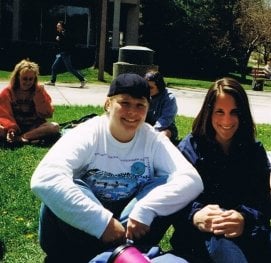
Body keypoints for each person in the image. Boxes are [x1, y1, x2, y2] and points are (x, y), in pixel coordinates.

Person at [30, 73, 203, 263]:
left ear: (148, 109)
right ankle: (120, 256)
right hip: (75, 236)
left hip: (129, 228)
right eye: (125, 103)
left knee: (164, 183)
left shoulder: (152, 138)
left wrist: (146, 208)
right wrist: (103, 223)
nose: (132, 112)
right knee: (70, 183)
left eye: (140, 105)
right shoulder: (88, 133)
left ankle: (112, 256)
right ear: (108, 104)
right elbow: (44, 178)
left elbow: (192, 180)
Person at [170, 77, 271, 263]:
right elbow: (174, 201)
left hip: (247, 233)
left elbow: (264, 205)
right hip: (206, 237)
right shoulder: (189, 149)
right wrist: (196, 215)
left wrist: (244, 218)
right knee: (221, 237)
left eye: (234, 112)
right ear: (209, 113)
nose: (227, 120)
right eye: (219, 112)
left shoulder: (254, 150)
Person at [0, 59, 60, 145]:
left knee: (54, 127)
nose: (28, 82)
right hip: (13, 128)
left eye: (31, 79)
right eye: (25, 79)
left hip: (34, 127)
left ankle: (23, 138)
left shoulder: (39, 90)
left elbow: (48, 114)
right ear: (18, 77)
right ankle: (27, 139)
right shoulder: (7, 92)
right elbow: (4, 115)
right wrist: (11, 129)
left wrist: (39, 97)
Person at [45, 20, 86, 88]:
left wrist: (59, 39)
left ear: (62, 27)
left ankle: (82, 80)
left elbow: (67, 42)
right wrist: (59, 40)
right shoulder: (61, 33)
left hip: (65, 53)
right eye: (57, 26)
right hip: (62, 54)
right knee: (54, 67)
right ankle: (52, 81)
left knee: (70, 69)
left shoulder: (64, 33)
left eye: (58, 26)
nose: (57, 27)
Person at [144, 70, 178, 143]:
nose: (147, 90)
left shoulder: (169, 98)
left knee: (161, 136)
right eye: (146, 86)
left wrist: (152, 132)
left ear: (159, 86)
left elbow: (165, 120)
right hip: (147, 126)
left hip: (165, 128)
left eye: (150, 87)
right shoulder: (144, 95)